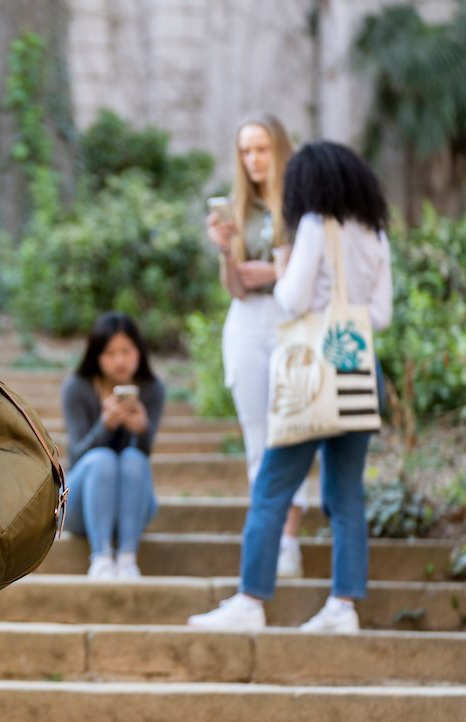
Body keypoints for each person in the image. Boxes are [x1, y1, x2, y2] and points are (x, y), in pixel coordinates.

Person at [188, 140, 393, 633]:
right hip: (359, 369)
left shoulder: (314, 225)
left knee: (272, 487)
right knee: (346, 497)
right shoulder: (375, 232)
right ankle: (343, 607)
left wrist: (283, 270)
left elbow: (292, 297)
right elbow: (381, 315)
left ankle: (250, 601)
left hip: (311, 373)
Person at [206, 112, 306, 578]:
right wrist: (227, 252)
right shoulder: (239, 210)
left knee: (292, 426)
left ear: (279, 149)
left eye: (262, 148)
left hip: (290, 318)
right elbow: (235, 288)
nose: (254, 159)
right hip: (247, 320)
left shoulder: (301, 202)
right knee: (256, 431)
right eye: (246, 151)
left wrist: (274, 273)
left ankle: (289, 538)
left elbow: (310, 273)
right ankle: (266, 533)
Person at [61, 312, 165, 580]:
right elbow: (77, 454)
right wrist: (105, 424)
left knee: (133, 458)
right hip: (81, 506)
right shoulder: (78, 388)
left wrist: (141, 429)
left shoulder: (152, 389)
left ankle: (128, 557)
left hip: (132, 508)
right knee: (102, 459)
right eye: (110, 352)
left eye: (126, 351)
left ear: (139, 352)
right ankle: (102, 557)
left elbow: (144, 455)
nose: (119, 360)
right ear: (96, 355)